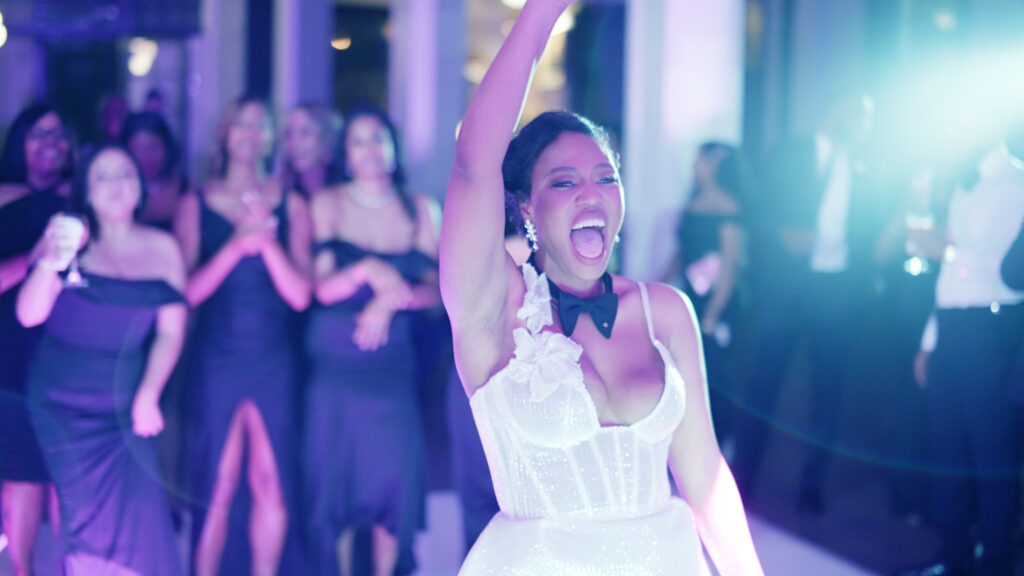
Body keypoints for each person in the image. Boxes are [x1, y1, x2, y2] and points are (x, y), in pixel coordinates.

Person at [439, 1, 763, 574]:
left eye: (606, 178)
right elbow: (473, 165)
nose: (591, 195)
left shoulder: (664, 309)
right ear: (524, 206)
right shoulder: (494, 307)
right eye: (564, 182)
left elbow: (705, 476)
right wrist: (540, 16)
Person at [18, 143, 186, 575]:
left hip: (128, 402)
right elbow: (29, 313)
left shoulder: (164, 247)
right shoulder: (67, 236)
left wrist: (149, 394)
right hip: (63, 404)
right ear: (86, 192)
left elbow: (171, 329)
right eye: (103, 176)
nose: (117, 185)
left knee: (145, 518)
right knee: (85, 524)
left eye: (126, 173)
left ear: (140, 187)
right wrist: (52, 261)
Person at [175, 96, 312, 576]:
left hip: (274, 355)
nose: (251, 132)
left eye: (261, 124)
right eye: (241, 124)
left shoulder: (292, 201)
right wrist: (237, 245)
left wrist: (266, 241)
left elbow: (300, 295)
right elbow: (186, 294)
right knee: (218, 480)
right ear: (224, 134)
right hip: (216, 356)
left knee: (270, 478)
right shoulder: (195, 200)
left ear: (271, 138)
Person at [304, 105, 439, 576]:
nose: (370, 150)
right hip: (335, 367)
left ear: (393, 147)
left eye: (378, 138)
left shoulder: (420, 208)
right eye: (359, 141)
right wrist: (366, 271)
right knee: (335, 494)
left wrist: (390, 301)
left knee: (391, 490)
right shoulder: (327, 203)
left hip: (392, 368)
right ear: (345, 153)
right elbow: (319, 289)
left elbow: (438, 292)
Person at [733, 93, 882, 515]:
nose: (864, 128)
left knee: (829, 391)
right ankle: (742, 482)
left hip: (835, 290)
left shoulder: (865, 168)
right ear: (837, 111)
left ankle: (812, 487)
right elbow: (756, 206)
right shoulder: (791, 153)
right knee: (764, 382)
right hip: (785, 285)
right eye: (860, 117)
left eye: (870, 122)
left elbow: (869, 226)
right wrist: (781, 232)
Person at [897, 131, 1024, 576]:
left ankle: (996, 565)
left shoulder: (1015, 183)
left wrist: (950, 250)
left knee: (992, 460)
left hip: (990, 330)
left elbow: (1013, 274)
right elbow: (946, 278)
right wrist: (929, 343)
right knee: (945, 453)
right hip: (950, 328)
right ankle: (953, 560)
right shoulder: (961, 185)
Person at [0, 103, 72, 576]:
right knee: (22, 474)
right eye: (38, 134)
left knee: (69, 479)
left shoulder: (81, 200)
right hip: (11, 355)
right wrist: (36, 258)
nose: (50, 143)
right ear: (19, 143)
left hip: (69, 353)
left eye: (59, 134)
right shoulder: (2, 198)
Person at [667, 141, 746, 445]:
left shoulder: (730, 209)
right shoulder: (692, 203)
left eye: (699, 161)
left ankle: (721, 439)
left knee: (716, 374)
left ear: (713, 167)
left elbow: (729, 265)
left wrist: (714, 311)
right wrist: (656, 282)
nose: (694, 167)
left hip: (718, 301)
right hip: (691, 295)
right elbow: (682, 252)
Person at [121, 111, 191, 230]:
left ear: (167, 148)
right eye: (137, 148)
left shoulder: (185, 191)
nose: (146, 156)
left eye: (152, 147)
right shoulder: (118, 192)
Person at [281, 103, 343, 198]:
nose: (293, 142)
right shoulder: (281, 190)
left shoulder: (344, 187)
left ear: (325, 138)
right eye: (288, 133)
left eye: (305, 132)